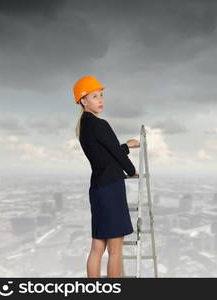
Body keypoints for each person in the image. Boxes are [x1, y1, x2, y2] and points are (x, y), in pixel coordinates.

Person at [73, 75, 139, 278]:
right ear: (84, 101)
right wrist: (131, 170)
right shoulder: (101, 124)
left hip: (98, 189)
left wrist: (126, 146)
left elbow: (107, 154)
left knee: (97, 247)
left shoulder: (84, 126)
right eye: (94, 96)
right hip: (111, 188)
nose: (100, 100)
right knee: (115, 250)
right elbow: (115, 155)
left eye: (101, 96)